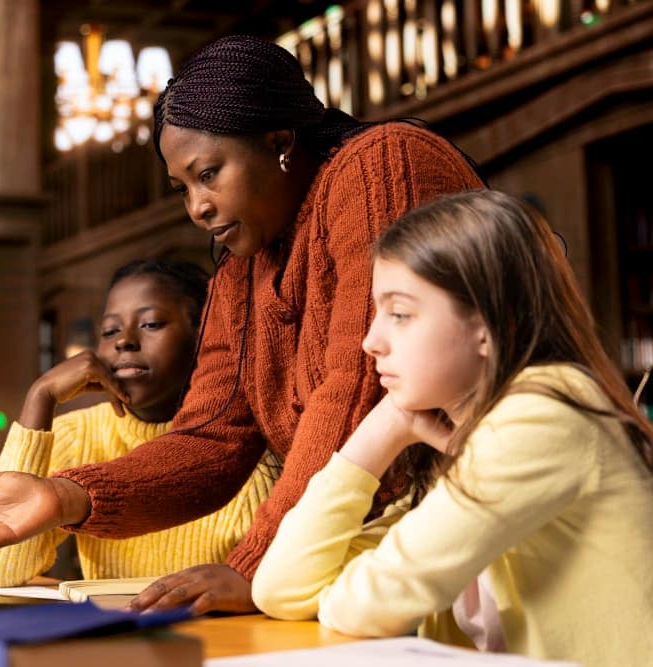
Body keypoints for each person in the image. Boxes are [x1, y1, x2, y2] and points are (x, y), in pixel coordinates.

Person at [0, 34, 483, 614]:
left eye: (209, 173)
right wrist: (65, 495)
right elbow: (211, 437)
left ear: (280, 141)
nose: (197, 206)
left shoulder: (380, 164)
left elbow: (358, 386)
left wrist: (256, 565)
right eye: (183, 187)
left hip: (475, 520)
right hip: (374, 560)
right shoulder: (242, 268)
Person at [252, 190, 653, 665]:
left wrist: (344, 594)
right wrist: (382, 431)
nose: (370, 340)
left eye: (399, 314)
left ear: (488, 323)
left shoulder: (544, 415)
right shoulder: (470, 434)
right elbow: (280, 587)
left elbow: (374, 601)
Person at [0, 258, 279, 586]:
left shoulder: (242, 445)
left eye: (150, 324)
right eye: (110, 331)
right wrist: (40, 396)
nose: (124, 341)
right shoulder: (77, 434)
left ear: (206, 340)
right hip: (111, 633)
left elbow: (267, 587)